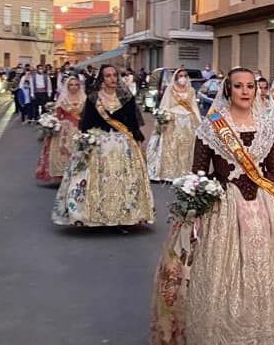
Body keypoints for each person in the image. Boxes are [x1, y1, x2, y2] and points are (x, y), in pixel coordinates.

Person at [149, 67, 274, 345]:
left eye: (249, 87)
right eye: (238, 86)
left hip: (266, 207)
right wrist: (196, 211)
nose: (245, 91)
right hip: (224, 209)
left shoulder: (268, 125)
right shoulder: (211, 127)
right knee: (218, 279)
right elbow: (198, 173)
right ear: (228, 90)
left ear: (256, 91)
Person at [52, 64, 154, 227]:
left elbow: (133, 122)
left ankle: (125, 215)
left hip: (122, 143)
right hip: (100, 143)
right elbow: (86, 123)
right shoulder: (93, 98)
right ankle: (94, 214)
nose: (112, 78)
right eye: (108, 76)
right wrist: (88, 139)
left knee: (124, 179)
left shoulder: (126, 97)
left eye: (115, 75)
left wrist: (136, 139)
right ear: (102, 79)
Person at [147, 68, 201, 182]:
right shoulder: (171, 90)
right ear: (176, 78)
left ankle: (184, 173)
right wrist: (163, 118)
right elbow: (165, 105)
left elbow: (194, 107)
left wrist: (198, 122)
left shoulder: (191, 91)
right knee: (171, 147)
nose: (183, 78)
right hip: (173, 121)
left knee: (185, 148)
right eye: (180, 75)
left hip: (187, 122)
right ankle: (169, 174)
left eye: (185, 75)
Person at [35, 75, 86, 184]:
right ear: (67, 86)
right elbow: (57, 115)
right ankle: (62, 176)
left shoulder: (84, 99)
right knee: (62, 151)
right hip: (64, 129)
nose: (74, 87)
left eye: (76, 85)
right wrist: (52, 125)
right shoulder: (63, 99)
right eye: (71, 85)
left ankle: (78, 175)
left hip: (80, 128)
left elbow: (87, 116)